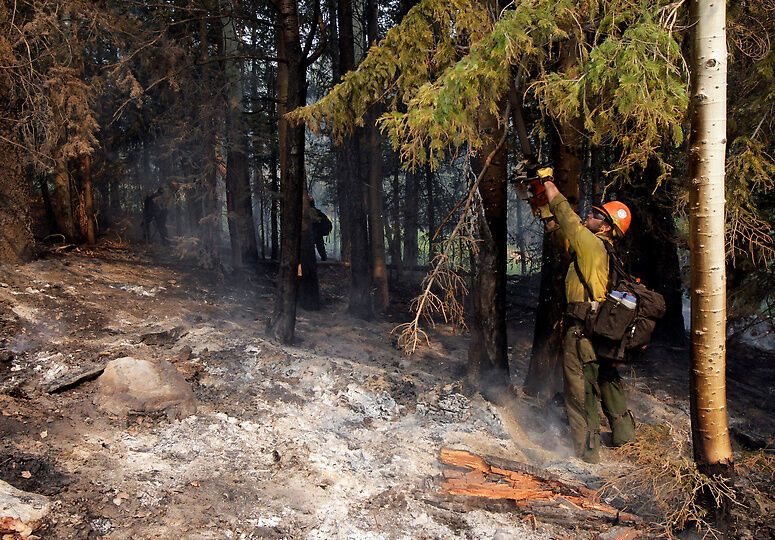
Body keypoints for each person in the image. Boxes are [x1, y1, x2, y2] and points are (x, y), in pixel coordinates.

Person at [543, 179, 635, 464]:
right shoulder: (601, 250)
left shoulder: (592, 244)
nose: (590, 216)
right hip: (601, 329)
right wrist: (541, 203)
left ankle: (588, 453)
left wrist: (549, 184)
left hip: (582, 330)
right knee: (607, 380)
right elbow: (561, 234)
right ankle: (624, 437)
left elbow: (568, 220)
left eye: (597, 215)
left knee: (580, 390)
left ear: (606, 227)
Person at [308, 197, 332, 261]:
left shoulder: (306, 212)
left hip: (311, 234)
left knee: (310, 249)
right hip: (318, 234)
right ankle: (324, 260)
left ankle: (312, 261)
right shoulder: (319, 213)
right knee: (321, 248)